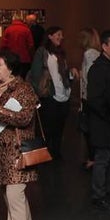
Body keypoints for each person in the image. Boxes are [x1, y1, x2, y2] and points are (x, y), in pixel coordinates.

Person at [0, 50, 40, 220]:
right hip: (2, 149)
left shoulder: (23, 88)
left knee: (14, 194)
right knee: (11, 194)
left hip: (18, 149)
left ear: (10, 68)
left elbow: (25, 118)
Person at [87, 30, 110, 212]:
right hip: (103, 124)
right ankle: (99, 195)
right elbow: (95, 99)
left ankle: (108, 190)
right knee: (102, 160)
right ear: (104, 47)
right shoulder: (98, 69)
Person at [28, 26, 76, 161]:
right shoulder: (42, 52)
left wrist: (71, 73)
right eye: (58, 34)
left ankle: (56, 152)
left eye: (62, 35)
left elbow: (64, 74)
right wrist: (39, 93)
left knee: (60, 127)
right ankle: (47, 153)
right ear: (49, 36)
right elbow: (36, 75)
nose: (61, 37)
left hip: (64, 95)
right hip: (49, 96)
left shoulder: (61, 53)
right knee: (48, 128)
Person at [79, 26, 102, 170]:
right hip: (89, 97)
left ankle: (92, 158)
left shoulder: (89, 54)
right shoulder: (95, 53)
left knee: (89, 130)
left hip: (88, 98)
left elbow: (88, 77)